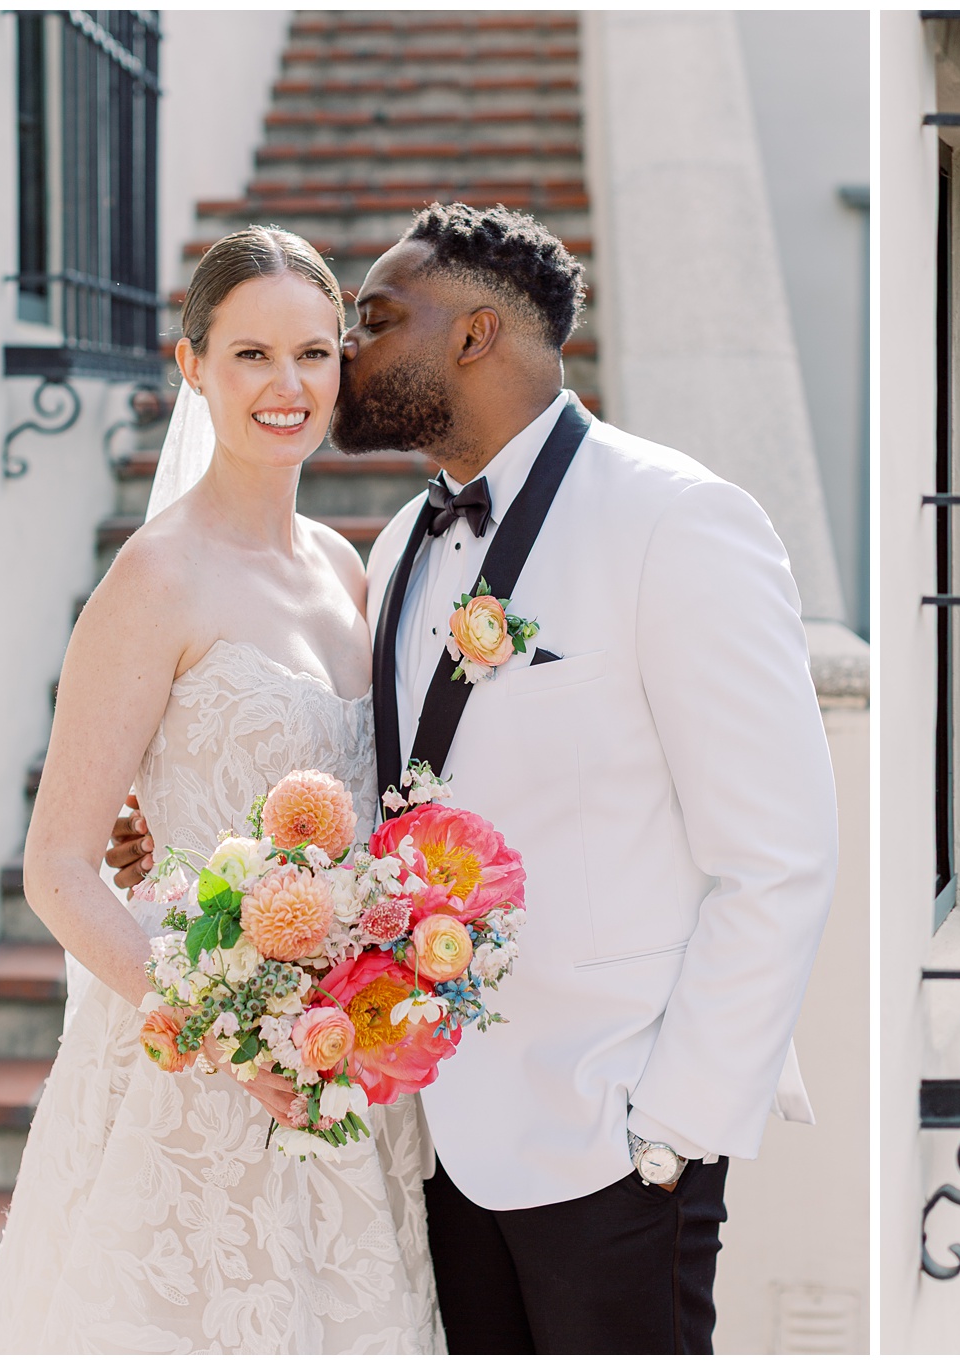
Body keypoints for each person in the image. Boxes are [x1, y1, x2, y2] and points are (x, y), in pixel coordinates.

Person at [106, 203, 839, 1353]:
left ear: (475, 337)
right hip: (432, 1140)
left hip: (613, 1141)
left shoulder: (677, 519)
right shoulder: (394, 546)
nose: (345, 354)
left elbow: (779, 856)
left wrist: (668, 1133)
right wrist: (178, 851)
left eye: (377, 320)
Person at [0, 226, 442, 1352]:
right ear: (191, 366)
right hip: (197, 1072)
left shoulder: (346, 568)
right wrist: (229, 1034)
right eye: (250, 356)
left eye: (315, 354)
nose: (289, 387)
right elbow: (57, 869)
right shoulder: (152, 582)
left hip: (345, 1073)